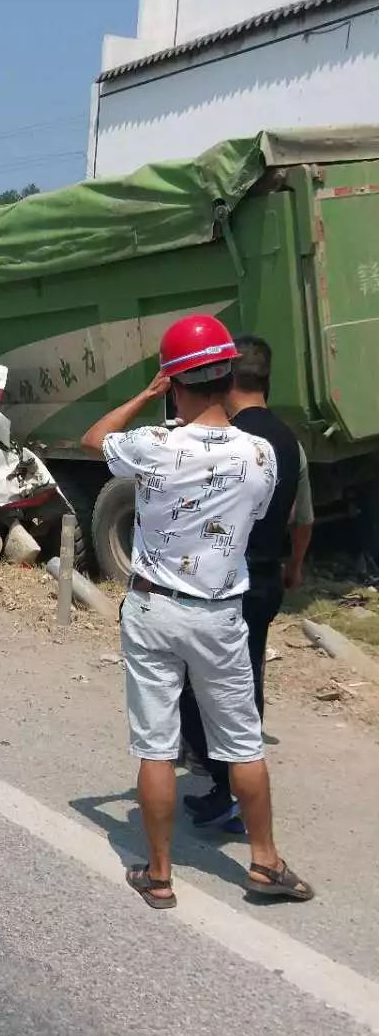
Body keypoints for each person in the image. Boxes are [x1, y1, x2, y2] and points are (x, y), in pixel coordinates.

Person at [80, 314, 313, 910]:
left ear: (175, 381)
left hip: (153, 611)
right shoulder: (261, 453)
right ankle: (265, 865)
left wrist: (144, 396)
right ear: (229, 374)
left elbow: (93, 439)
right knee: (243, 743)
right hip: (219, 616)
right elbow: (260, 518)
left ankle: (159, 877)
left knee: (156, 746)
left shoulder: (153, 446)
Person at [180, 336, 314, 830]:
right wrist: (294, 565)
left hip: (221, 584)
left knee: (195, 685)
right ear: (268, 381)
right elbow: (303, 518)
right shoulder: (289, 442)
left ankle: (227, 784)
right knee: (247, 677)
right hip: (266, 583)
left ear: (228, 380)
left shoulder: (225, 439)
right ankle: (238, 783)